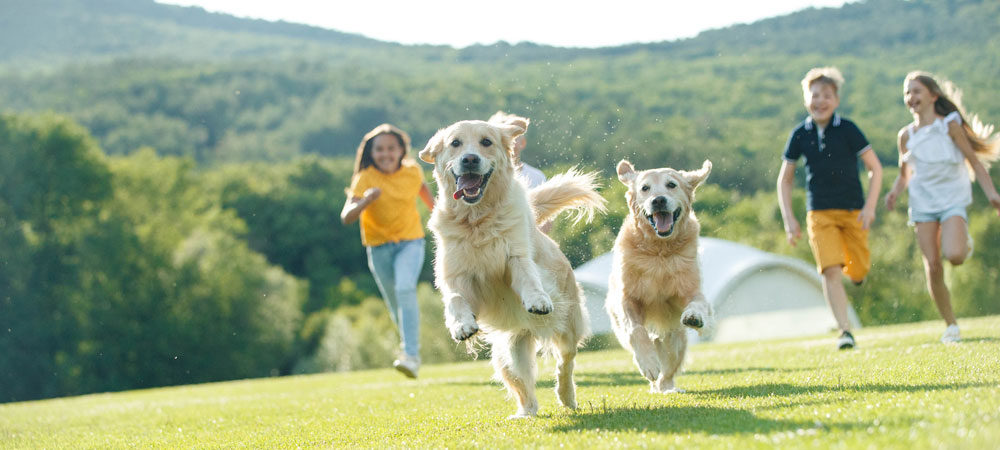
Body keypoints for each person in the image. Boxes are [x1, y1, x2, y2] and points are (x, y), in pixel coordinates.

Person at [884, 71, 1000, 344]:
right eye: (907, 92)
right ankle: (951, 326)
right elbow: (905, 174)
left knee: (955, 255)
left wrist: (993, 194)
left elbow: (973, 161)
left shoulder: (949, 125)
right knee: (933, 265)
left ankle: (962, 239)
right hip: (923, 203)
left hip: (952, 200)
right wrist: (894, 192)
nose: (911, 97)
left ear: (933, 96)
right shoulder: (906, 136)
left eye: (916, 91)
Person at [777, 67, 883, 350]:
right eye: (814, 96)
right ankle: (845, 331)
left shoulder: (848, 129)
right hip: (819, 213)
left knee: (857, 270)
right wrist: (790, 219)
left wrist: (870, 208)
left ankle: (857, 276)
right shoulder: (800, 134)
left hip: (853, 212)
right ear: (805, 99)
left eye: (826, 96)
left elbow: (875, 168)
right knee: (830, 271)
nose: (820, 101)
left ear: (836, 100)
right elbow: (785, 180)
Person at [340, 123, 434, 377]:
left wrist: (447, 224)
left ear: (401, 150)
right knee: (396, 306)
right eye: (379, 149)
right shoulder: (366, 177)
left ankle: (411, 356)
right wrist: (367, 200)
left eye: (391, 148)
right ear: (371, 152)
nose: (386, 154)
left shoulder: (413, 171)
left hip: (411, 242)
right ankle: (409, 350)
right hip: (378, 248)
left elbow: (430, 201)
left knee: (405, 290)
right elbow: (346, 217)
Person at [488, 111, 551, 232]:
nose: (505, 143)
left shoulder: (537, 177)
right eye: (499, 139)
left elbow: (546, 221)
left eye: (512, 138)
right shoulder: (482, 178)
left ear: (522, 143)